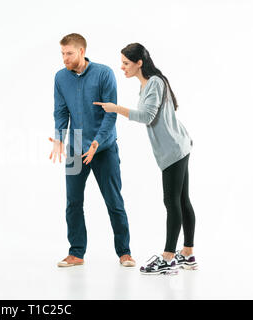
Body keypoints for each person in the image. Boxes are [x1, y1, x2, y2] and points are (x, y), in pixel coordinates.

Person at [93, 43, 198, 275]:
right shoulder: (149, 84)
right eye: (121, 63)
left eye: (126, 63)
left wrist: (115, 108)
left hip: (173, 150)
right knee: (181, 200)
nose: (122, 67)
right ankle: (188, 254)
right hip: (177, 147)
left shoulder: (154, 83)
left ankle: (169, 257)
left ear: (139, 63)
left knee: (172, 201)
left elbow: (147, 116)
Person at [49, 33, 135, 268]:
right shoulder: (60, 78)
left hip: (104, 148)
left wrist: (97, 142)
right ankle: (76, 253)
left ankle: (124, 253)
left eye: (69, 53)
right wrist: (59, 138)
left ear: (82, 52)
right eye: (62, 53)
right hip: (76, 147)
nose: (65, 58)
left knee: (113, 201)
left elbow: (111, 113)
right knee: (73, 203)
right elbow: (61, 111)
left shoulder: (103, 73)